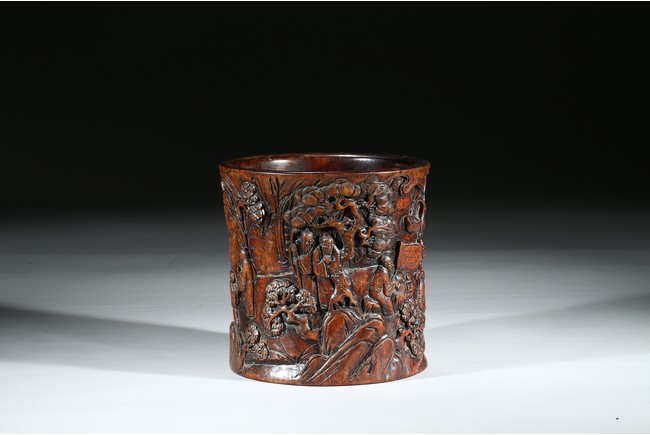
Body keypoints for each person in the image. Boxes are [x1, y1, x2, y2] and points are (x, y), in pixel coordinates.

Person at [312, 233, 340, 310]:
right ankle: (323, 305)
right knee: (322, 291)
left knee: (331, 290)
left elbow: (336, 261)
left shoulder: (334, 252)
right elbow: (315, 264)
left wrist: (330, 263)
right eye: (324, 245)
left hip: (331, 278)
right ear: (321, 245)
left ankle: (332, 304)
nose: (327, 247)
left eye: (329, 245)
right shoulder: (318, 252)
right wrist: (323, 262)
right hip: (321, 278)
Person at [238, 246, 255, 318]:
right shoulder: (250, 262)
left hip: (248, 285)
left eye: (241, 254)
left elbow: (244, 278)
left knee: (249, 300)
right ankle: (251, 314)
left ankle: (250, 315)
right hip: (251, 283)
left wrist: (240, 287)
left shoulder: (245, 264)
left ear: (243, 255)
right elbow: (254, 273)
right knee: (250, 299)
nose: (240, 256)